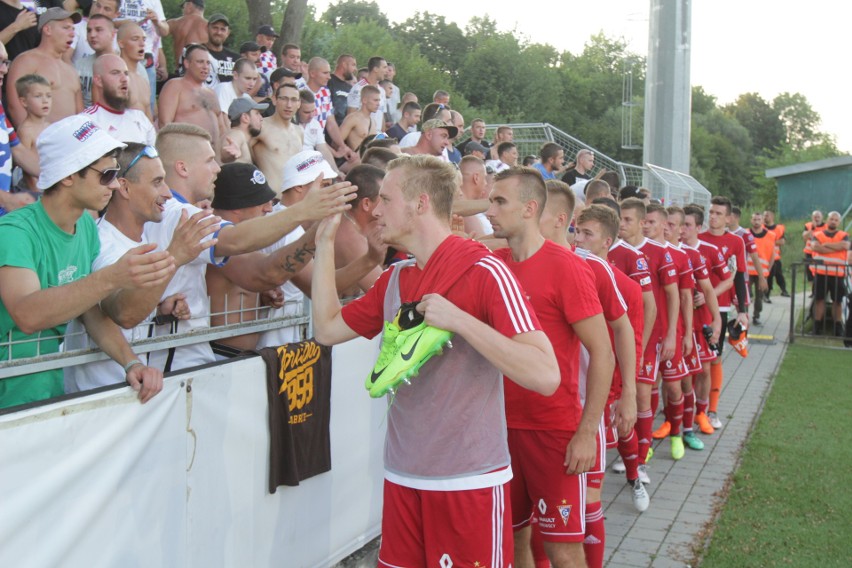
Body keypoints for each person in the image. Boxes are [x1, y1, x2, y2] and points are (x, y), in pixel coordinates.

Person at [311, 155, 559, 565]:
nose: (374, 209)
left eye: (386, 199)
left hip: (469, 483)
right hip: (402, 476)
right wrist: (322, 244)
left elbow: (546, 374)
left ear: (420, 204)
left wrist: (461, 322)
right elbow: (327, 330)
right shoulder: (395, 278)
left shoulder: (485, 271)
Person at [143, 123, 358, 372]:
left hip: (188, 353)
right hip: (175, 358)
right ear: (183, 168)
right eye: (210, 160)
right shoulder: (178, 214)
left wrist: (315, 230)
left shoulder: (171, 211)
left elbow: (261, 272)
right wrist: (303, 212)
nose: (216, 169)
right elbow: (238, 244)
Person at [484, 167, 613, 567]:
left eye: (499, 201)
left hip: (553, 430)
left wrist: (587, 432)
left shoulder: (568, 267)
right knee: (513, 539)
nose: (489, 209)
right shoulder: (494, 265)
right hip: (498, 428)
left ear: (530, 208)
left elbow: (603, 354)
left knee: (562, 548)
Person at [0, 115, 170, 409]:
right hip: (9, 393)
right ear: (67, 176)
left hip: (45, 388)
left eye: (116, 173)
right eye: (106, 175)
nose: (116, 185)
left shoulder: (87, 227)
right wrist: (112, 278)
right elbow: (27, 315)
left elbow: (89, 309)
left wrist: (131, 363)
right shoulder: (15, 233)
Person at [64, 141, 218, 392]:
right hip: (97, 396)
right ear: (124, 187)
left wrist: (159, 310)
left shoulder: (144, 240)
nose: (168, 193)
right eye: (157, 182)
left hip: (131, 388)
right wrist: (175, 256)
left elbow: (130, 308)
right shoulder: (101, 243)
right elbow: (124, 314)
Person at [572, 202, 648, 515]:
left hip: (608, 381)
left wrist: (625, 390)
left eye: (587, 234)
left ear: (607, 242)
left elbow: (632, 339)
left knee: (622, 430)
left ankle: (635, 477)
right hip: (574, 380)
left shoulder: (626, 286)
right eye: (577, 231)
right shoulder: (570, 269)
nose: (578, 240)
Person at [619, 197, 678, 482]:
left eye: (628, 219)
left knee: (641, 394)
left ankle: (641, 460)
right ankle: (629, 452)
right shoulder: (613, 250)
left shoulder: (658, 252)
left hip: (649, 337)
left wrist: (670, 335)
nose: (621, 224)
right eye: (620, 217)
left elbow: (672, 295)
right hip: (620, 336)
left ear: (642, 223)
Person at [644, 203, 691, 460]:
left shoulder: (679, 256)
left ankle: (676, 434)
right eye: (645, 221)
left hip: (669, 333)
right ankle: (646, 442)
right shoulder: (638, 252)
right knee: (648, 387)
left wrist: (681, 335)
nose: (646, 226)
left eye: (652, 222)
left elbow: (684, 298)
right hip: (647, 335)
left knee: (674, 388)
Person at [699, 196, 748, 430]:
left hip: (721, 307)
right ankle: (690, 410)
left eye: (718, 213)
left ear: (729, 218)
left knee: (715, 359)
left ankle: (713, 409)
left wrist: (743, 311)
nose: (713, 216)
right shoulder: (698, 239)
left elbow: (738, 278)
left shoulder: (736, 242)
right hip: (697, 307)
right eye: (711, 212)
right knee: (696, 361)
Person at [681, 204, 729, 435]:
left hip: (703, 321)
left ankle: (702, 413)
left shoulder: (708, 251)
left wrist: (708, 296)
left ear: (699, 228)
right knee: (681, 373)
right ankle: (681, 416)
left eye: (688, 225)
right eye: (681, 225)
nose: (683, 230)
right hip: (681, 322)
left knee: (704, 369)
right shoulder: (673, 250)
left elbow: (727, 279)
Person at [6, 8, 83, 126]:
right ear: (48, 30)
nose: (72, 33)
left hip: (70, 140)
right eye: (66, 28)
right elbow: (14, 104)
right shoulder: (27, 60)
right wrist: (31, 138)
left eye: (73, 29)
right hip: (39, 141)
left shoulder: (71, 70)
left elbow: (80, 113)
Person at [158, 44, 226, 157]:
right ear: (187, 63)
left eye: (208, 63)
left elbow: (222, 128)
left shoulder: (212, 93)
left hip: (213, 156)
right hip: (186, 154)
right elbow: (165, 124)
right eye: (200, 62)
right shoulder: (175, 85)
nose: (205, 67)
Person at [82, 54, 156, 145]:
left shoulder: (141, 119)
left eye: (126, 73)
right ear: (98, 80)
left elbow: (155, 156)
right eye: (115, 73)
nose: (124, 79)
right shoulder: (87, 122)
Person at [116, 0, 168, 112]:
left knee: (147, 103)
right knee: (120, 102)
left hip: (145, 59)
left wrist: (157, 21)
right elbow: (101, 20)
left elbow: (164, 31)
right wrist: (128, 25)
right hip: (117, 54)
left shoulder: (154, 2)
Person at [252, 82, 303, 192]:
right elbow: (241, 154)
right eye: (284, 99)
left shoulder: (299, 131)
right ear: (274, 100)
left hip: (295, 200)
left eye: (294, 100)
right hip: (271, 200)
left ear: (299, 103)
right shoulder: (261, 126)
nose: (289, 105)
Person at [809, 211, 850, 336]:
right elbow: (815, 247)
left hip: (838, 274)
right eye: (831, 219)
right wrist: (835, 247)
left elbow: (845, 245)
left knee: (837, 301)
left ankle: (837, 328)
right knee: (819, 299)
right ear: (827, 220)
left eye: (836, 220)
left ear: (839, 222)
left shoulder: (844, 234)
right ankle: (817, 327)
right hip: (821, 273)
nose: (833, 221)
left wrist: (825, 245)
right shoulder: (818, 234)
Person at [13, 74, 51, 192]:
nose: (45, 100)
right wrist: (37, 195)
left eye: (49, 96)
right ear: (24, 102)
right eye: (38, 96)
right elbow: (25, 168)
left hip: (49, 183)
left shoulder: (50, 126)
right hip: (32, 189)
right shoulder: (26, 130)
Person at [74, 13, 116, 108]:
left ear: (113, 34)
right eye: (89, 30)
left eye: (98, 30)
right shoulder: (79, 65)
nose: (92, 35)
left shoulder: (127, 65)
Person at [115, 22, 154, 120]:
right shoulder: (115, 78)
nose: (142, 44)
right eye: (135, 39)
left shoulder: (143, 81)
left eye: (143, 39)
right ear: (121, 43)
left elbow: (149, 122)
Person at [746, 211, 776, 326]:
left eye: (759, 219)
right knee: (745, 295)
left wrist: (767, 270)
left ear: (763, 221)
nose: (756, 222)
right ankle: (744, 315)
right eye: (754, 219)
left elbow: (773, 254)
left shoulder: (770, 235)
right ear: (751, 220)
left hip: (761, 272)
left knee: (759, 296)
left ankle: (756, 316)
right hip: (747, 271)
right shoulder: (746, 233)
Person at [346, 55, 387, 133]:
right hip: (362, 135)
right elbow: (350, 114)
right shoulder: (358, 88)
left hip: (377, 136)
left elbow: (381, 116)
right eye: (384, 67)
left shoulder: (382, 91)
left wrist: (383, 134)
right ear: (375, 69)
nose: (386, 71)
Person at [165, 0, 208, 72]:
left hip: (179, 70)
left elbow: (157, 33)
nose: (182, 10)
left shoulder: (174, 23)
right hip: (200, 71)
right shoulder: (209, 26)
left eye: (183, 7)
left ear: (189, 5)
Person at [339, 83, 380, 155]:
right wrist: (349, 153)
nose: (378, 103)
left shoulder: (373, 122)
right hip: (355, 161)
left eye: (379, 100)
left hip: (369, 161)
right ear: (364, 100)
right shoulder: (353, 118)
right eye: (375, 100)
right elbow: (336, 143)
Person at [224, 97, 266, 164]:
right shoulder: (237, 134)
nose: (261, 118)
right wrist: (230, 154)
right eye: (257, 113)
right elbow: (228, 149)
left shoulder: (245, 141)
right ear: (245, 117)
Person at [202, 12, 236, 83]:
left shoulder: (236, 59)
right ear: (207, 29)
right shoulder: (196, 52)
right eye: (215, 28)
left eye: (223, 29)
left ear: (228, 33)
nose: (218, 32)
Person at [328, 53, 355, 125]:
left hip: (344, 129)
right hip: (329, 127)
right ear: (344, 64)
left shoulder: (350, 88)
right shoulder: (328, 81)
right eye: (353, 65)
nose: (355, 69)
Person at [802, 209, 825, 285]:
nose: (817, 218)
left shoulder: (826, 226)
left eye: (818, 217)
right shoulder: (808, 225)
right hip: (809, 252)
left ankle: (817, 290)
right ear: (812, 217)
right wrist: (812, 228)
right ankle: (813, 290)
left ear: (822, 217)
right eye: (815, 217)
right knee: (809, 272)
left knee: (819, 271)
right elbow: (804, 237)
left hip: (819, 253)